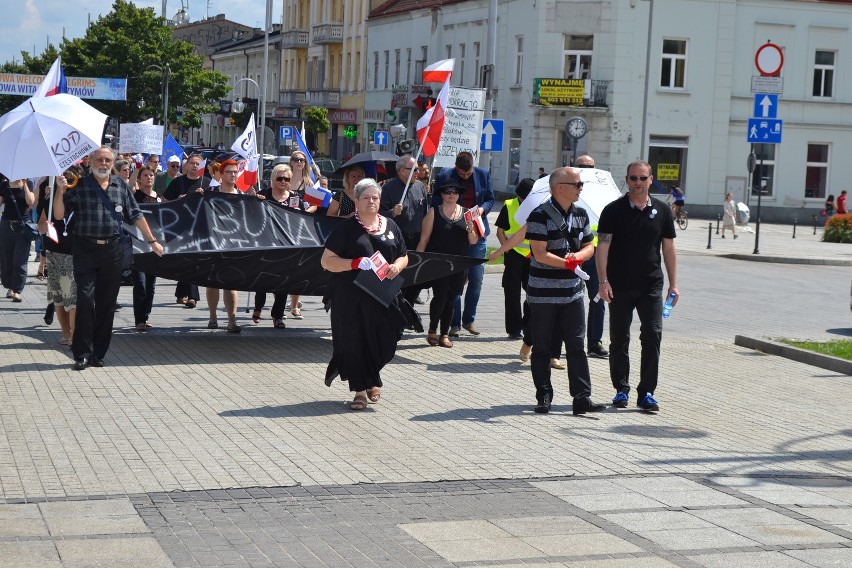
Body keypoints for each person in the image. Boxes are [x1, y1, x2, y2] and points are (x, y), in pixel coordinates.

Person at [54, 146, 164, 370]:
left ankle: (99, 353)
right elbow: (58, 215)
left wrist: (152, 241)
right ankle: (82, 353)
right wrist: (59, 191)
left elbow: (135, 215)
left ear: (112, 162)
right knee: (85, 301)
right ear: (91, 161)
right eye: (99, 159)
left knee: (106, 304)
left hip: (112, 251)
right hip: (85, 249)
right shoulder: (81, 185)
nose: (103, 163)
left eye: (107, 159)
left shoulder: (120, 185)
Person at [596, 160, 678, 412]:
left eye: (643, 178)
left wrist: (674, 284)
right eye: (633, 178)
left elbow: (669, 249)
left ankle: (647, 393)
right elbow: (603, 248)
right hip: (619, 285)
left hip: (651, 285)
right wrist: (603, 281)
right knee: (619, 338)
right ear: (627, 180)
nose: (638, 183)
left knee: (652, 335)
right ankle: (621, 389)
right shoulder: (613, 210)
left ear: (651, 179)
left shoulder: (663, 211)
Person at [320, 178, 409, 410]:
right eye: (366, 198)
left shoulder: (390, 226)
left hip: (383, 296)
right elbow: (327, 261)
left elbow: (403, 254)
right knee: (355, 343)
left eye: (375, 197)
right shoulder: (347, 228)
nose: (371, 201)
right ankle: (361, 390)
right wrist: (354, 263)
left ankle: (372, 375)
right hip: (350, 298)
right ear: (356, 201)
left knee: (386, 339)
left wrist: (397, 266)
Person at [525, 167, 606, 415]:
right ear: (560, 187)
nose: (581, 188)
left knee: (576, 346)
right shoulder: (539, 215)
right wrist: (568, 263)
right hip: (542, 293)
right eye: (577, 184)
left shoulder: (581, 214)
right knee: (542, 347)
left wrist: (579, 256)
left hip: (572, 293)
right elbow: (539, 253)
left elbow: (589, 246)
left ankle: (582, 398)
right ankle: (544, 396)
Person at [433, 151, 495, 336]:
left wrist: (482, 210)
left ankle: (470, 319)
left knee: (476, 279)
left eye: (468, 174)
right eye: (462, 174)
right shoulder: (444, 176)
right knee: (456, 281)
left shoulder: (483, 174)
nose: (465, 177)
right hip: (455, 236)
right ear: (456, 167)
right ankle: (455, 323)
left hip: (477, 233)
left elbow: (490, 199)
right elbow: (436, 201)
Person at [416, 180, 478, 348]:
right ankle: (432, 330)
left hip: (459, 264)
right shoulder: (433, 212)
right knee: (441, 296)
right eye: (448, 191)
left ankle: (444, 333)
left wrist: (471, 228)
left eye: (455, 191)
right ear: (442, 194)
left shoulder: (467, 214)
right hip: (439, 262)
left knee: (452, 298)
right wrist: (419, 263)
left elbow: (473, 241)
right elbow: (424, 239)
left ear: (459, 195)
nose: (451, 194)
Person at [253, 164, 302, 328]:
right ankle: (258, 307)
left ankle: (278, 316)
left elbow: (303, 218)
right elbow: (251, 214)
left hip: (287, 246)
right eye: (279, 178)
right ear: (273, 179)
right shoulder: (264, 194)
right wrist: (256, 201)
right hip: (265, 243)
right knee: (263, 278)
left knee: (283, 282)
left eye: (286, 179)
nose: (282, 181)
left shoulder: (294, 197)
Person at [204, 160, 251, 333]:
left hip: (234, 244)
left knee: (231, 284)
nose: (233, 174)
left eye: (235, 172)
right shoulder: (210, 193)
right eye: (229, 172)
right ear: (221, 175)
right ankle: (213, 316)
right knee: (212, 282)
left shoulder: (243, 195)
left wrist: (258, 200)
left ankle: (232, 320)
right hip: (214, 243)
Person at [572, 154, 609, 359]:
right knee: (567, 300)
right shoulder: (570, 190)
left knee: (598, 298)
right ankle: (568, 342)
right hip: (572, 255)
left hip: (596, 257)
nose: (586, 169)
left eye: (591, 166)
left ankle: (594, 343)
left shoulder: (604, 195)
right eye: (582, 166)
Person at [380, 155, 428, 305]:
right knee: (398, 276)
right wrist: (392, 213)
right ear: (401, 171)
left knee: (416, 276)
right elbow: (379, 215)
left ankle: (409, 305)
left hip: (417, 238)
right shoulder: (388, 188)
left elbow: (424, 212)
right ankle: (397, 307)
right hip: (398, 239)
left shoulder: (420, 186)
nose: (417, 172)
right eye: (413, 169)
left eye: (418, 169)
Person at [164, 153, 210, 308]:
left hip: (199, 227)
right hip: (181, 226)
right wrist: (180, 199)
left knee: (193, 260)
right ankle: (189, 295)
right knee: (187, 259)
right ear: (186, 165)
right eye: (192, 163)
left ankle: (188, 295)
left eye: (198, 163)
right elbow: (164, 201)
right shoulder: (179, 182)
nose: (195, 166)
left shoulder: (207, 183)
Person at [37, 174, 76, 346]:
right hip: (54, 251)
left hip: (75, 253)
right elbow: (40, 224)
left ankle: (75, 335)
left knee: (73, 297)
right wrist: (44, 226)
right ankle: (66, 333)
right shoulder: (49, 195)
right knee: (58, 297)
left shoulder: (79, 196)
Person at [494, 178, 533, 339]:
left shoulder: (538, 206)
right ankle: (514, 329)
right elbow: (500, 232)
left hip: (533, 255)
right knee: (511, 293)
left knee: (533, 293)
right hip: (513, 255)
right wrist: (507, 249)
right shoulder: (509, 205)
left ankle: (528, 324)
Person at [284, 150, 318, 320]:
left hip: (301, 226)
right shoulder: (284, 179)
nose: (299, 162)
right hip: (283, 224)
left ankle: (295, 304)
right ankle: (280, 300)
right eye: (296, 159)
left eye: (302, 160)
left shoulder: (309, 182)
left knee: (298, 264)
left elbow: (315, 205)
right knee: (283, 263)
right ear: (291, 162)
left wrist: (303, 211)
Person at [131, 166, 164, 331]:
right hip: (137, 246)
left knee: (151, 284)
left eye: (151, 175)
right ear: (139, 178)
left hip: (154, 246)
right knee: (140, 284)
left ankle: (145, 317)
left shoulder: (159, 198)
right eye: (145, 175)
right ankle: (139, 319)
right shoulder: (134, 197)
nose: (149, 178)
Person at [0, 176, 36, 302]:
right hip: (6, 225)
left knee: (19, 261)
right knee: (6, 260)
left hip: (22, 227)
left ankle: (17, 290)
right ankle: (9, 287)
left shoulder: (29, 183)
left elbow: (31, 202)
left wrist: (24, 185)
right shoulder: (4, 185)